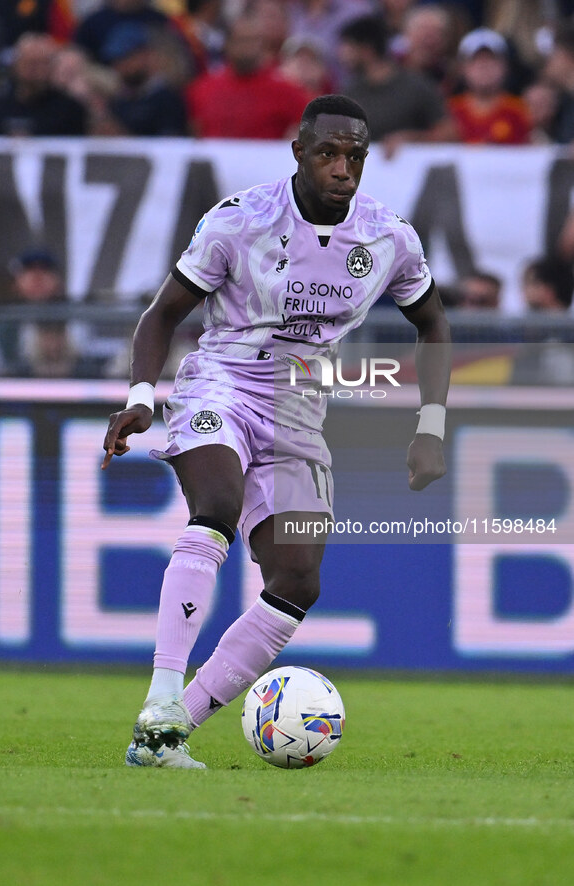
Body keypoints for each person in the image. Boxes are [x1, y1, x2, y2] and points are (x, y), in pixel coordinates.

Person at [102, 94, 451, 769]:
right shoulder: (240, 220)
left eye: (354, 156)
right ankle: (160, 692)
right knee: (217, 508)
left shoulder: (388, 238)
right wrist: (142, 396)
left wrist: (429, 424)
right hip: (221, 385)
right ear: (298, 153)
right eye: (328, 153)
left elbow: (432, 323)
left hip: (298, 406)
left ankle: (166, 735)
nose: (342, 168)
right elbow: (161, 313)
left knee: (297, 578)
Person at [338, 14, 457, 158]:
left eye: (348, 47)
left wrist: (412, 139)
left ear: (366, 49)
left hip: (410, 175)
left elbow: (450, 133)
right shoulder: (349, 92)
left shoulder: (416, 86)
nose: (342, 55)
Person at [186, 16, 311, 139]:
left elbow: (313, 123)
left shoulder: (285, 90)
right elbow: (192, 130)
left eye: (252, 40)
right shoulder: (203, 89)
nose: (246, 47)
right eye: (241, 40)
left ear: (263, 44)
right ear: (228, 43)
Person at [447, 27, 531, 145]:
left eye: (491, 59)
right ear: (462, 68)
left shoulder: (521, 111)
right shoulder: (449, 112)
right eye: (475, 60)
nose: (484, 66)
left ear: (505, 66)